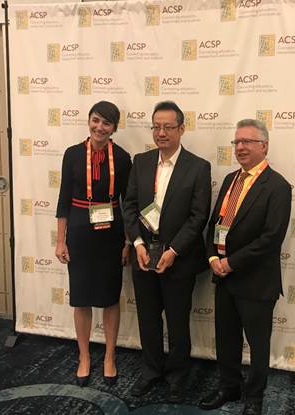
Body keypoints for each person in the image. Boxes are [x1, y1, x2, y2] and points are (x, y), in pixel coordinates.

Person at [199, 119, 292, 415]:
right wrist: (213, 258)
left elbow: (271, 238)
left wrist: (231, 262)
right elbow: (215, 224)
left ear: (264, 146)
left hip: (256, 282)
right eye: (237, 142)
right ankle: (229, 386)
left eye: (247, 142)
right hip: (223, 277)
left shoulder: (277, 186)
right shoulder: (230, 180)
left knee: (258, 345)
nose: (240, 147)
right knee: (226, 340)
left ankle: (254, 398)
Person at [123, 101, 211, 402]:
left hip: (179, 260)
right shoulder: (141, 161)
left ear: (181, 129)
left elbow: (198, 217)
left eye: (168, 127)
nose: (161, 133)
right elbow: (130, 206)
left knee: (177, 322)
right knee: (147, 319)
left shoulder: (198, 167)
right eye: (156, 127)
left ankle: (177, 377)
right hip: (143, 256)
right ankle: (150, 371)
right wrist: (137, 244)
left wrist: (173, 251)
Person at [55, 101, 132, 387]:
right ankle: (84, 356)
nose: (100, 127)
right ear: (89, 120)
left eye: (106, 123)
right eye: (96, 120)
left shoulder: (122, 157)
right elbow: (63, 199)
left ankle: (110, 356)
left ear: (114, 128)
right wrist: (60, 240)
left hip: (112, 233)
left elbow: (129, 203)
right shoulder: (73, 154)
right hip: (79, 231)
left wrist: (127, 242)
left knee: (110, 297)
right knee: (81, 297)